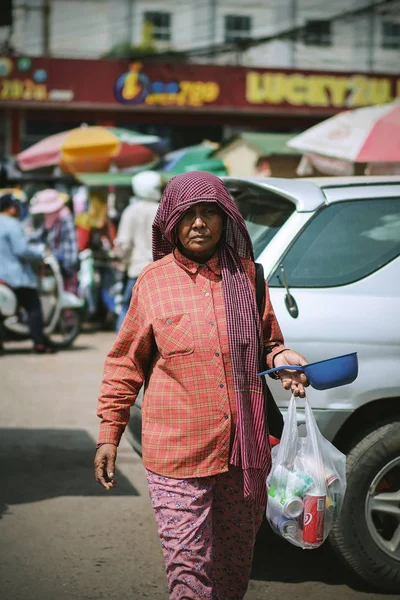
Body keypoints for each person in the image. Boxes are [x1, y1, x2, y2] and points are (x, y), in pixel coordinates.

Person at [94, 171, 308, 600]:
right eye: (188, 213)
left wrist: (282, 360)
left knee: (231, 575)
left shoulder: (248, 276)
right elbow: (125, 364)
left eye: (209, 212)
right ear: (171, 221)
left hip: (242, 456)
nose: (199, 223)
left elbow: (268, 343)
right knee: (189, 576)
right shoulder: (153, 282)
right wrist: (109, 433)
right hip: (176, 454)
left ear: (226, 219)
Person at [0, 194, 54, 354]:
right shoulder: (13, 224)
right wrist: (39, 255)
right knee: (34, 307)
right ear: (10, 208)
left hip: (2, 275)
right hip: (14, 276)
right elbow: (21, 250)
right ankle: (39, 343)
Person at [114, 170, 163, 331]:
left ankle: (122, 349)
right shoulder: (161, 209)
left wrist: (122, 263)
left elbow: (124, 244)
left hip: (136, 270)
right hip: (159, 270)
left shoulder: (131, 210)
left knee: (127, 310)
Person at [30, 189, 79, 293]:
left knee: (68, 294)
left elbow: (73, 244)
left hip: (67, 265)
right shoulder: (50, 220)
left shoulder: (65, 218)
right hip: (57, 264)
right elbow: (38, 235)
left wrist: (70, 266)